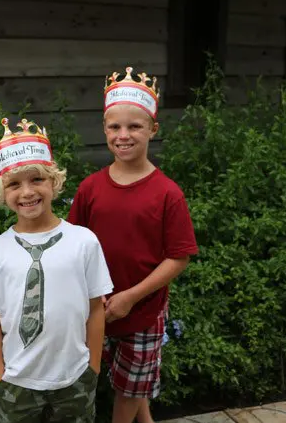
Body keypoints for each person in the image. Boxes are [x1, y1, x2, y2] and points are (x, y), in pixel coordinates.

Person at [67, 67, 199, 423]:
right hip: (96, 307)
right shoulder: (90, 188)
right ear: (105, 129)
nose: (123, 135)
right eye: (114, 127)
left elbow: (179, 257)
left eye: (134, 127)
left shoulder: (167, 193)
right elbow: (72, 243)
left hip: (142, 311)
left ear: (153, 130)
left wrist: (130, 296)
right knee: (125, 379)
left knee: (130, 389)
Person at [0, 118, 114, 423]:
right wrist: (0, 376)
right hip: (17, 380)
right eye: (14, 184)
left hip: (75, 376)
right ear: (2, 192)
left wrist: (92, 367)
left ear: (53, 181)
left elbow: (95, 309)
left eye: (36, 179)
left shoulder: (83, 241)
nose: (26, 192)